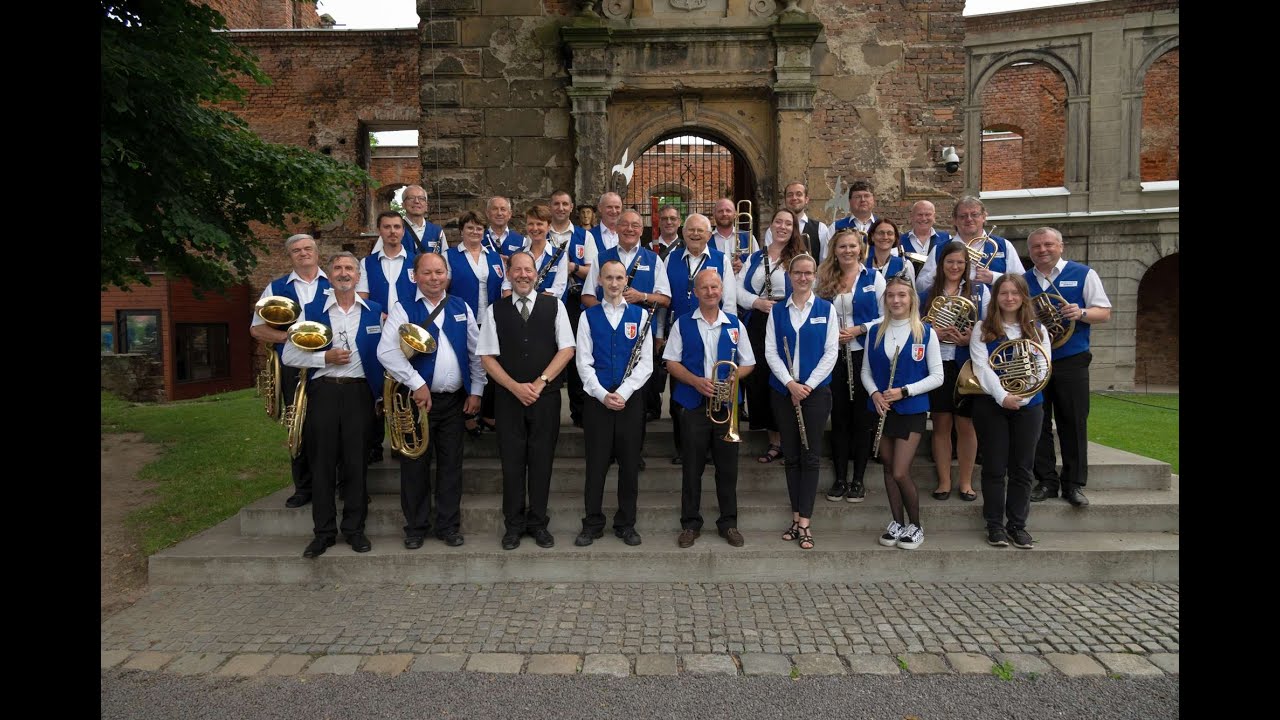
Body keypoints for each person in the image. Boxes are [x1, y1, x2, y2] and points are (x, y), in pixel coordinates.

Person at [378, 252, 485, 549]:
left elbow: (476, 353)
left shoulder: (460, 306)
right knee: (415, 466)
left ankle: (448, 526)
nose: (434, 278)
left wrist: (476, 390)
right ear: (415, 276)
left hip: (454, 402)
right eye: (427, 273)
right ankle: (415, 527)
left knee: (452, 465)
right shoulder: (404, 308)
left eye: (439, 272)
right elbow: (386, 353)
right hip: (416, 402)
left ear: (446, 275)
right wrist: (418, 384)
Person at [285, 252, 385, 558]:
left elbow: (387, 354)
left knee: (356, 463)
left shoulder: (375, 311)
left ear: (358, 277)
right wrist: (323, 358)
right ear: (330, 275)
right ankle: (324, 533)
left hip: (359, 394)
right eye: (338, 268)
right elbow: (289, 356)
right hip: (324, 391)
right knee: (322, 464)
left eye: (350, 269)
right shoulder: (312, 310)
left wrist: (381, 394)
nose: (344, 273)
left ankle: (355, 530)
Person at [478, 251, 576, 550]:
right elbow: (486, 357)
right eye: (516, 270)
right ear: (509, 274)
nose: (522, 275)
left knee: (542, 462)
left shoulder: (554, 305)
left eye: (528, 270)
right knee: (511, 464)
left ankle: (538, 523)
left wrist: (539, 382)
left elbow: (567, 349)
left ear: (536, 274)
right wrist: (514, 387)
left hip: (545, 399)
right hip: (508, 401)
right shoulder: (495, 310)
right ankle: (513, 525)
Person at [663, 269, 755, 548]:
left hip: (726, 406)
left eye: (715, 287)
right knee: (692, 469)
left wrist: (732, 377)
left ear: (722, 290)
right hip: (692, 405)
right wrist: (694, 381)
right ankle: (690, 524)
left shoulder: (736, 324)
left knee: (727, 469)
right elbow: (670, 362)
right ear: (696, 292)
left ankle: (729, 523)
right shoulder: (682, 323)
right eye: (705, 288)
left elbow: (749, 363)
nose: (711, 292)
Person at [1026, 227, 1112, 507]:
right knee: (1038, 422)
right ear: (1030, 252)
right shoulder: (1023, 281)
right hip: (1035, 360)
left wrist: (1082, 313)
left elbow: (1104, 312)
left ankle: (1073, 483)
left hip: (1071, 359)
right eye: (1037, 246)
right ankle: (1046, 481)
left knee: (1073, 422)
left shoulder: (1083, 274)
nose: (1043, 250)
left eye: (1048, 244)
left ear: (1060, 247)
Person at [574, 259, 653, 547]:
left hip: (629, 400)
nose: (614, 283)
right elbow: (583, 362)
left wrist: (625, 392)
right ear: (600, 281)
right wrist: (602, 394)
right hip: (598, 401)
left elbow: (646, 364)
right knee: (596, 465)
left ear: (625, 282)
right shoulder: (588, 316)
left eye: (619, 277)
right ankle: (592, 523)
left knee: (630, 465)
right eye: (609, 278)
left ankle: (626, 523)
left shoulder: (641, 316)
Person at [861, 272, 943, 550]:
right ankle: (897, 522)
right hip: (882, 408)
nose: (896, 300)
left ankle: (916, 525)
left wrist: (904, 391)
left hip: (912, 409)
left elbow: (937, 376)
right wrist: (874, 393)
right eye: (891, 295)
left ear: (911, 299)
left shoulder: (925, 332)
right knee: (887, 467)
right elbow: (866, 371)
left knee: (899, 471)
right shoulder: (875, 331)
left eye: (902, 295)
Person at [970, 273, 1052, 549]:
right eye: (1003, 293)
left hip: (1030, 406)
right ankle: (995, 526)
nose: (1009, 298)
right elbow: (982, 367)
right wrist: (1003, 396)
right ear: (996, 297)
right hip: (992, 405)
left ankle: (1018, 525)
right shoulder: (982, 327)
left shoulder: (1038, 329)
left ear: (1023, 296)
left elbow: (1043, 366)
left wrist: (1024, 397)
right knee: (994, 467)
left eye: (1014, 293)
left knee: (1022, 468)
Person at [250, 233, 330, 508]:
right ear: (290, 256)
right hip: (292, 366)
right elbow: (256, 328)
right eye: (297, 250)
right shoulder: (276, 288)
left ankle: (338, 483)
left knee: (332, 425)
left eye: (308, 248)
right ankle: (303, 487)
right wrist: (290, 338)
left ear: (317, 253)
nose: (303, 253)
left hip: (328, 365)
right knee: (297, 425)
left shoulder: (335, 284)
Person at [765, 253, 838, 551]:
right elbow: (770, 352)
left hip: (815, 393)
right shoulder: (777, 311)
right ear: (789, 275)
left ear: (815, 276)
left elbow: (831, 352)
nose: (803, 278)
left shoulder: (826, 309)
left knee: (810, 456)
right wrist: (790, 384)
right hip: (784, 392)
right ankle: (795, 517)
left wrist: (806, 385)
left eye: (809, 273)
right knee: (792, 456)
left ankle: (805, 521)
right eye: (798, 273)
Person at [814, 229, 885, 503]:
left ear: (860, 249)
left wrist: (859, 329)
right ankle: (840, 478)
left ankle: (859, 479)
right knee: (840, 418)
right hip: (834, 358)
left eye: (852, 246)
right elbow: (815, 311)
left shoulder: (873, 277)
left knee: (862, 419)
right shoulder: (824, 278)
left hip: (864, 355)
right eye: (842, 246)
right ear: (835, 250)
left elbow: (885, 315)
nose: (847, 251)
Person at [664, 213, 737, 464]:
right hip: (681, 332)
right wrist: (659, 334)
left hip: (715, 329)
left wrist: (730, 334)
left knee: (715, 389)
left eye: (701, 230)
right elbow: (664, 298)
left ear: (709, 234)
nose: (695, 234)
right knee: (680, 396)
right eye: (691, 230)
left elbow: (730, 300)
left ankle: (712, 447)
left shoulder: (721, 259)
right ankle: (683, 449)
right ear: (683, 233)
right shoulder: (670, 258)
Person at [920, 241, 990, 503]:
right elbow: (918, 328)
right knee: (941, 424)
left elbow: (989, 327)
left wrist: (971, 337)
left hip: (966, 364)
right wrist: (934, 333)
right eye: (950, 262)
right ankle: (944, 481)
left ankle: (966, 482)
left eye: (960, 262)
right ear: (941, 265)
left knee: (966, 425)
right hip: (938, 364)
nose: (955, 266)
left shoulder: (980, 292)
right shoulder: (928, 293)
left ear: (967, 265)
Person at [737, 208, 806, 465]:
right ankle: (774, 442)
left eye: (788, 223)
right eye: (779, 221)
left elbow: (808, 287)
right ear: (771, 225)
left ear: (794, 229)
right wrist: (757, 303)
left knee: (787, 376)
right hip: (759, 320)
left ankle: (792, 440)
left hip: (788, 320)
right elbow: (736, 289)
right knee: (762, 378)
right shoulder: (756, 257)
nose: (782, 227)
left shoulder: (800, 258)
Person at [357, 211, 416, 464]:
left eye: (397, 227)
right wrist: (381, 316)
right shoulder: (367, 262)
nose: (393, 231)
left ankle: (403, 441)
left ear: (403, 231)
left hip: (408, 334)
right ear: (379, 230)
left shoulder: (416, 261)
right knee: (376, 386)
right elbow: (363, 297)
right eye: (387, 227)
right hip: (377, 331)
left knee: (404, 387)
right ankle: (374, 444)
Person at [446, 210, 505, 436]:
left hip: (489, 320)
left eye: (479, 228)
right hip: (461, 320)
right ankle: (467, 416)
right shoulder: (450, 256)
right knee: (465, 364)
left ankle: (488, 413)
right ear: (461, 231)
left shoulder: (493, 256)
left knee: (490, 366)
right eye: (470, 227)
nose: (475, 231)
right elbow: (444, 289)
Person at [550, 190, 592, 430]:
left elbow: (593, 271)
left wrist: (572, 266)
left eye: (565, 204)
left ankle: (579, 411)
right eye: (556, 203)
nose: (561, 208)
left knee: (576, 355)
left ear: (571, 207)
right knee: (548, 354)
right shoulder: (539, 234)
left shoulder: (584, 236)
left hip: (575, 302)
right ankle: (549, 413)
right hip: (548, 301)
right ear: (551, 206)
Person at [917, 196, 1024, 291]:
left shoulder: (1004, 246)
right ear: (955, 220)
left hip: (995, 311)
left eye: (974, 214)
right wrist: (941, 270)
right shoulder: (940, 249)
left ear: (984, 217)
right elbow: (920, 287)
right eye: (963, 216)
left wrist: (994, 278)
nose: (969, 219)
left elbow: (1022, 282)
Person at [642, 204, 684, 422]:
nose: (669, 222)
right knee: (654, 365)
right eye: (664, 218)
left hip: (678, 310)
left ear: (679, 222)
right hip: (655, 311)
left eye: (673, 218)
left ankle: (677, 409)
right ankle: (653, 406)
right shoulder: (648, 248)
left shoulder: (686, 247)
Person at [501, 204, 570, 300]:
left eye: (539, 224)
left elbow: (558, 289)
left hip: (546, 309)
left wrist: (532, 304)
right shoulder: (517, 254)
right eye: (530, 224)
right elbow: (507, 284)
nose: (534, 228)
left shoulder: (560, 256)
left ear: (549, 226)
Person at [765, 182, 832, 262]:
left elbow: (825, 262)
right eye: (790, 195)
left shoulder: (821, 228)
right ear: (785, 200)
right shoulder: (773, 230)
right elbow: (769, 260)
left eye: (799, 194)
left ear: (806, 199)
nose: (794, 198)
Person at [372, 185, 446, 256]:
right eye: (411, 198)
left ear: (426, 206)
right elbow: (376, 258)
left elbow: (445, 261)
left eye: (421, 198)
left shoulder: (437, 232)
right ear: (403, 204)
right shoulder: (393, 229)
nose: (416, 201)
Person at [866, 218, 915, 285]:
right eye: (881, 233)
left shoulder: (904, 265)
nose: (885, 237)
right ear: (872, 237)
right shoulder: (862, 265)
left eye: (890, 233)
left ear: (895, 238)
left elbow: (911, 294)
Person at [584, 191, 624, 271]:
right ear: (600, 208)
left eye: (617, 207)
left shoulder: (629, 235)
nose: (614, 211)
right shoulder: (589, 235)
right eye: (609, 207)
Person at [710, 198, 751, 274]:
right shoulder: (707, 239)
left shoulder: (749, 237)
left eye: (728, 211)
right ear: (714, 214)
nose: (724, 214)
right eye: (720, 211)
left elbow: (758, 266)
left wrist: (744, 267)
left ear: (735, 214)